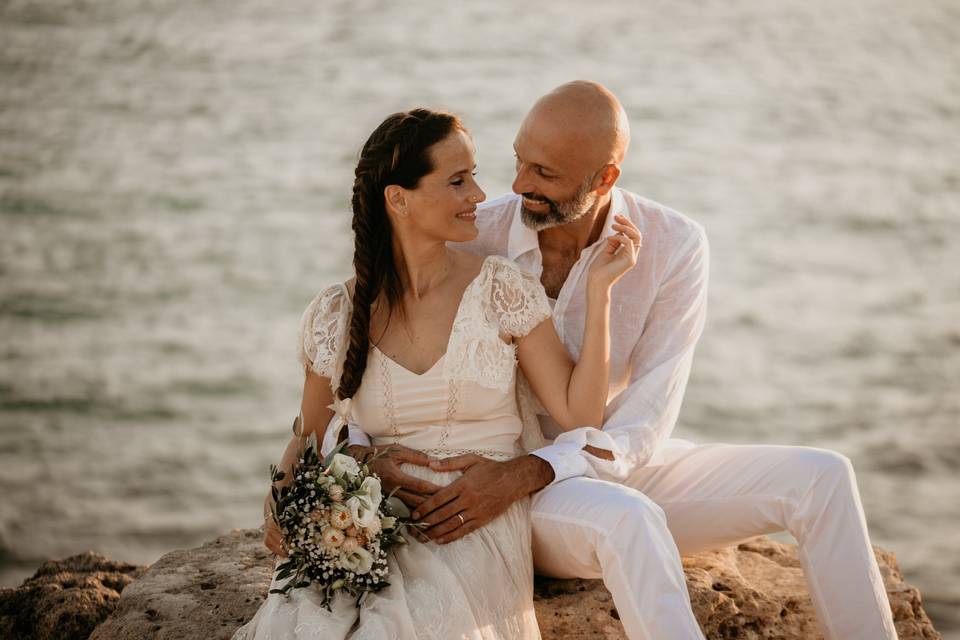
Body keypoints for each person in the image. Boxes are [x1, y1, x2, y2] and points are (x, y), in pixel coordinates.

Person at [321, 82, 899, 640]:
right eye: (519, 160)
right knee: (627, 518)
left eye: (545, 173)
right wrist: (363, 455)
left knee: (823, 478)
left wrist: (535, 469)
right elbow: (375, 357)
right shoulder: (472, 231)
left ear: (605, 178)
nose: (518, 184)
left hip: (589, 467)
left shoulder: (673, 246)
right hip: (498, 487)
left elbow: (644, 423)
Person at [236, 107, 639, 639]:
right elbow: (306, 439)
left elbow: (580, 415)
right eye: (457, 180)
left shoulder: (502, 288)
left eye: (473, 175)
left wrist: (600, 292)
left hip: (473, 526)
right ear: (398, 199)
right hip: (370, 525)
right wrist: (294, 508)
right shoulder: (336, 312)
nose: (479, 194)